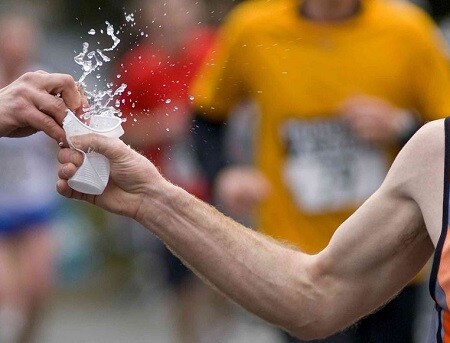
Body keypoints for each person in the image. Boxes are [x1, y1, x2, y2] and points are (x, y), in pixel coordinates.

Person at [55, 116, 449, 342]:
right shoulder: (437, 152)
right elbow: (316, 296)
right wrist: (153, 197)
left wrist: (396, 121)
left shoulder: (405, 32)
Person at [190, 0, 450, 341]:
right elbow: (206, 116)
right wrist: (223, 173)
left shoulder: (408, 30)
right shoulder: (252, 28)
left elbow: (445, 136)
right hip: (296, 258)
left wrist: (401, 125)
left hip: (393, 257)